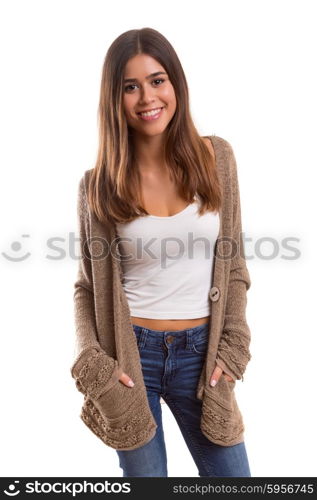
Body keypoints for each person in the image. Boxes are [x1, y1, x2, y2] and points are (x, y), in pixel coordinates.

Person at [70, 27, 252, 477]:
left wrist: (233, 350)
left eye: (157, 80)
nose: (147, 97)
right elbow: (86, 287)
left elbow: (234, 269)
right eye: (130, 86)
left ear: (175, 84)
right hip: (133, 358)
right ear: (114, 99)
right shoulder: (98, 185)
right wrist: (95, 365)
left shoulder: (218, 158)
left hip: (202, 357)